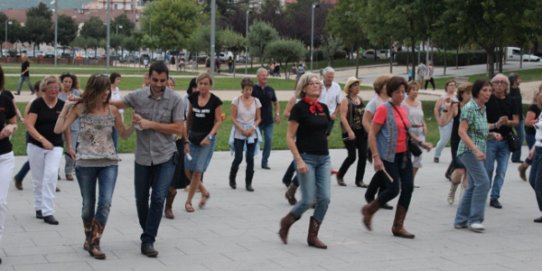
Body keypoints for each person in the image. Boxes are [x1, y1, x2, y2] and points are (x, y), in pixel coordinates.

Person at [54, 74, 133, 260]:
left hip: (109, 162)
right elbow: (58, 129)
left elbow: (123, 134)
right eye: (103, 89)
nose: (107, 93)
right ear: (93, 90)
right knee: (88, 207)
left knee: (105, 202)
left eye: (108, 89)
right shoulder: (81, 108)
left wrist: (134, 126)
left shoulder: (112, 110)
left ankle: (95, 242)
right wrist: (66, 107)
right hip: (85, 163)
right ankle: (88, 237)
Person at [111, 61, 184, 257]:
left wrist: (149, 124)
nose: (159, 84)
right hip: (143, 156)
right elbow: (117, 104)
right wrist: (88, 98)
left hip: (166, 155)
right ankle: (148, 230)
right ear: (149, 78)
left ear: (168, 79)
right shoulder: (138, 96)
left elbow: (179, 128)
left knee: (159, 197)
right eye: (155, 80)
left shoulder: (176, 100)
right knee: (141, 199)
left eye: (163, 80)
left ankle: (148, 240)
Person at [362, 76, 431, 239]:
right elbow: (372, 133)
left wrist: (421, 143)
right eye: (398, 92)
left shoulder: (404, 109)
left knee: (408, 187)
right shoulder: (383, 109)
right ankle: (370, 209)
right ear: (390, 92)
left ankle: (398, 226)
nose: (401, 95)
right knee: (393, 189)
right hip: (387, 155)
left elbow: (406, 132)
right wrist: (376, 157)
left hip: (404, 155)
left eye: (403, 92)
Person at [278, 72, 331, 249]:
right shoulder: (299, 108)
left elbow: (325, 132)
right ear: (304, 88)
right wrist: (298, 160)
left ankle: (312, 236)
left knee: (324, 198)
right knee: (308, 200)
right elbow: (289, 137)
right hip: (306, 157)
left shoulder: (323, 107)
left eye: (318, 83)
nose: (317, 85)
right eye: (312, 83)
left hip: (324, 158)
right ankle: (287, 221)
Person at [24, 75, 73, 225]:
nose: (53, 90)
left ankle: (48, 211)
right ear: (44, 89)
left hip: (56, 146)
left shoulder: (63, 105)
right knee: (38, 179)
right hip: (36, 145)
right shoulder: (37, 104)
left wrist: (69, 146)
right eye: (50, 88)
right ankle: (38, 207)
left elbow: (66, 128)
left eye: (56, 88)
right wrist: (42, 140)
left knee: (51, 176)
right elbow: (29, 125)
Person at [454, 80, 499, 233]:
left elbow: (479, 131)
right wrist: (475, 150)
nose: (488, 93)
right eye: (485, 90)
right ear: (477, 91)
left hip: (478, 151)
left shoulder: (482, 108)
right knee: (483, 182)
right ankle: (475, 220)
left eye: (490, 90)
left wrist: (492, 134)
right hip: (468, 151)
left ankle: (460, 220)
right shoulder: (470, 108)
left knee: (473, 185)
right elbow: (462, 131)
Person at [184, 73, 222, 212]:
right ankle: (205, 192)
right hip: (193, 137)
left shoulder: (215, 101)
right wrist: (185, 136)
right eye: (200, 83)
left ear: (210, 85)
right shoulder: (192, 98)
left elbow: (218, 121)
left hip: (206, 140)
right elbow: (189, 117)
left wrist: (209, 137)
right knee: (187, 170)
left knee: (197, 171)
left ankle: (188, 202)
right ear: (197, 85)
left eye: (206, 84)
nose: (203, 86)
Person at [485, 74, 519, 209]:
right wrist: (495, 125)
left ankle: (495, 197)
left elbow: (516, 121)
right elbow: (481, 120)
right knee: (488, 169)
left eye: (502, 83)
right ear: (492, 85)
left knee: (502, 170)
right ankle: (482, 194)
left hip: (506, 141)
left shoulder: (512, 101)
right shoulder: (488, 100)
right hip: (490, 139)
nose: (499, 85)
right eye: (496, 82)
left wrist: (507, 122)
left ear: (507, 86)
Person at [164, 77, 195, 220]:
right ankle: (156, 201)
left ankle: (168, 207)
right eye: (167, 84)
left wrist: (186, 141)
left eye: (172, 84)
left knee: (175, 176)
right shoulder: (157, 103)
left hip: (175, 144)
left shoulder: (178, 102)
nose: (169, 87)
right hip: (159, 145)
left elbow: (182, 124)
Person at [362, 75, 394, 210]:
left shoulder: (392, 101)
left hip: (389, 141)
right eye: (387, 84)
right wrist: (373, 134)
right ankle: (372, 195)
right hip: (377, 141)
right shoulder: (374, 102)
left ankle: (379, 197)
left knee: (385, 169)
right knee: (384, 169)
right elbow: (365, 120)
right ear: (381, 87)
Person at [229, 78, 261, 191]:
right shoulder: (236, 101)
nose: (248, 92)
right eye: (246, 89)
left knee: (250, 158)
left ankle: (249, 183)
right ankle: (232, 178)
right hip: (239, 131)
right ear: (242, 90)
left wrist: (252, 128)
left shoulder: (256, 101)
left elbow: (258, 118)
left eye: (250, 90)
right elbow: (232, 117)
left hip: (252, 132)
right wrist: (241, 129)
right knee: (238, 158)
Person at [0, 65, 17, 265]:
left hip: (4, 156)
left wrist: (10, 128)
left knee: (1, 203)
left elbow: (13, 122)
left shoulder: (5, 98)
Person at [337, 77, 368, 187]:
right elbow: (343, 117)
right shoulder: (345, 100)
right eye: (355, 86)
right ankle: (340, 175)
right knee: (352, 156)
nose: (357, 87)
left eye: (358, 85)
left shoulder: (360, 99)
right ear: (349, 88)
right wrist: (350, 131)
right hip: (349, 131)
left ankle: (359, 180)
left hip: (361, 131)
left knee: (363, 155)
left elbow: (364, 115)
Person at [13, 80, 44, 191]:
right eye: (42, 90)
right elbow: (27, 121)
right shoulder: (33, 102)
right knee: (34, 159)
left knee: (43, 159)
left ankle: (49, 183)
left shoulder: (45, 101)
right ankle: (19, 177)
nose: (45, 92)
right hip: (34, 134)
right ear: (37, 91)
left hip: (46, 135)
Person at [447, 83, 472, 205]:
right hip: (457, 141)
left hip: (470, 141)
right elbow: (445, 119)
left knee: (468, 170)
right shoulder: (456, 106)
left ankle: (463, 198)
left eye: (472, 93)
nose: (470, 96)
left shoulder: (475, 108)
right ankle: (453, 189)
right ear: (462, 94)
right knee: (460, 170)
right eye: (468, 93)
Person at [252, 68, 280, 169]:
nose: (265, 77)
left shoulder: (270, 89)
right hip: (256, 121)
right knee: (254, 141)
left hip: (268, 121)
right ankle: (250, 159)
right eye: (263, 75)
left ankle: (264, 161)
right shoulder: (253, 89)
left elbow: (276, 103)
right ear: (258, 77)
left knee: (268, 140)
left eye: (266, 75)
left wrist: (277, 114)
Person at [403, 82, 429, 181]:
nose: (415, 92)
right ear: (408, 91)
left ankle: (411, 179)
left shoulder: (419, 103)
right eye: (413, 89)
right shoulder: (403, 103)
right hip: (410, 131)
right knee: (407, 156)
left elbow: (421, 117)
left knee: (419, 156)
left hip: (420, 130)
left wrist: (424, 126)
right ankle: (405, 178)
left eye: (417, 90)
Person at [58, 73, 81, 181]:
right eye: (65, 81)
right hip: (60, 125)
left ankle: (68, 171)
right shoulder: (57, 93)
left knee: (71, 149)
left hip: (73, 125)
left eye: (69, 82)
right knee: (57, 149)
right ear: (61, 82)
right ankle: (55, 171)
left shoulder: (76, 93)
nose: (67, 84)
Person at [519, 85, 542, 181]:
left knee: (534, 155)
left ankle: (524, 167)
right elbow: (527, 122)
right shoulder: (534, 107)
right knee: (535, 155)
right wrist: (536, 122)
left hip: (538, 135)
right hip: (532, 134)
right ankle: (526, 168)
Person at [433, 80, 458, 163]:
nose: (452, 87)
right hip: (444, 121)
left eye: (454, 85)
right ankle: (437, 154)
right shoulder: (442, 97)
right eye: (450, 85)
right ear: (446, 87)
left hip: (455, 121)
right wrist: (438, 119)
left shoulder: (457, 98)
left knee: (456, 140)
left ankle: (456, 157)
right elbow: (436, 109)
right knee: (444, 140)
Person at [527, 104, 542, 223]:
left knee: (539, 183)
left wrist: (535, 123)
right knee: (532, 180)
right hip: (538, 148)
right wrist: (533, 149)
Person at [319, 67, 342, 136]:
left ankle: (324, 146)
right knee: (317, 135)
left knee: (326, 135)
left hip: (330, 116)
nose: (330, 79)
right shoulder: (318, 85)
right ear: (323, 76)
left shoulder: (337, 87)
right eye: (328, 77)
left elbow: (339, 103)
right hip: (318, 115)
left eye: (332, 77)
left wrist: (335, 113)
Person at [508, 74, 524, 163]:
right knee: (507, 136)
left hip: (520, 117)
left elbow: (519, 104)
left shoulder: (518, 90)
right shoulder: (508, 91)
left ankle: (516, 157)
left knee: (521, 137)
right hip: (510, 118)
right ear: (514, 81)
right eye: (519, 79)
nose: (520, 80)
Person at [109, 72, 123, 149]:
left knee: (115, 137)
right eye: (117, 79)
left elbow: (120, 102)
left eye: (119, 79)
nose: (119, 81)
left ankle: (115, 153)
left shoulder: (117, 89)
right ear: (113, 79)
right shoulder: (108, 89)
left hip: (117, 116)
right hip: (109, 116)